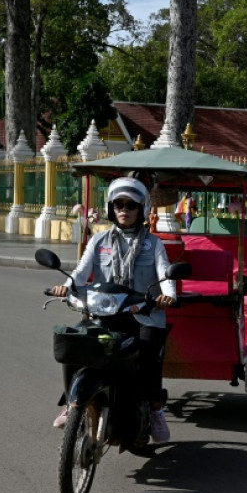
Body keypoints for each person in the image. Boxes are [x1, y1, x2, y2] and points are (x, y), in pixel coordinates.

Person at [50, 177, 177, 443]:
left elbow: (166, 273)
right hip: (105, 313)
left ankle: (156, 410)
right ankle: (72, 403)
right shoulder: (99, 241)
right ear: (111, 208)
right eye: (119, 205)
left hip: (144, 315)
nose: (124, 210)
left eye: (131, 205)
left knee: (147, 356)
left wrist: (168, 296)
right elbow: (80, 273)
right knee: (74, 343)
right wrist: (65, 288)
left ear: (141, 209)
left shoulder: (153, 244)